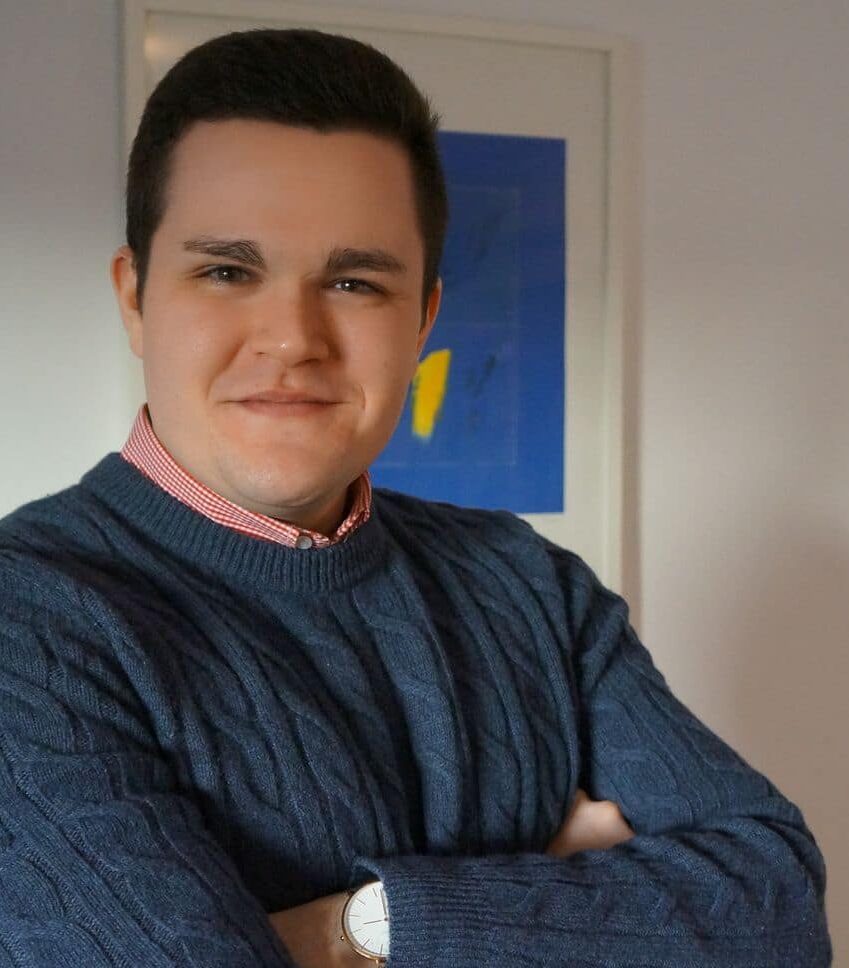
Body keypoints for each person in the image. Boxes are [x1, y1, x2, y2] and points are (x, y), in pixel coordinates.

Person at [0, 27, 830, 968]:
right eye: (227, 271)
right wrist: (565, 897)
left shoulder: (528, 584)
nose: (292, 338)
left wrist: (361, 928)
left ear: (423, 318)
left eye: (353, 281)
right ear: (135, 297)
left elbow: (776, 912)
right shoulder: (30, 620)